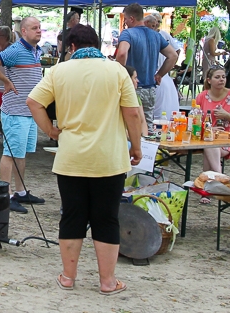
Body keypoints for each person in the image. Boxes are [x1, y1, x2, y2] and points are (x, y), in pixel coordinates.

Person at [26, 24, 143, 295]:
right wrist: (136, 147)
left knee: (72, 216)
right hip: (109, 158)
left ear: (71, 46)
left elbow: (34, 102)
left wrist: (51, 130)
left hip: (71, 157)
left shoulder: (59, 71)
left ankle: (68, 277)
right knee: (107, 218)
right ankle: (107, 281)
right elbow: (133, 113)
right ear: (97, 45)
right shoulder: (117, 71)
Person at [0, 16, 46, 214]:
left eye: (40, 27)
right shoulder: (16, 50)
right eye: (34, 28)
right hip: (15, 110)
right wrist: (6, 81)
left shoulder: (36, 50)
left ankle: (20, 191)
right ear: (23, 31)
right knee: (10, 153)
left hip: (28, 111)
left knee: (21, 152)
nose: (39, 30)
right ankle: (6, 195)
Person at [115, 3, 178, 130]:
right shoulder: (156, 35)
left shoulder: (127, 33)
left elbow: (122, 53)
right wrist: (159, 75)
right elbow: (173, 56)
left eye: (125, 19)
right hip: (150, 89)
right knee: (147, 125)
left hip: (131, 87)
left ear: (131, 18)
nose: (125, 22)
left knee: (128, 126)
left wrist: (119, 74)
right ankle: (146, 142)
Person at [195, 66, 230, 182]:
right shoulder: (202, 97)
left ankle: (211, 182)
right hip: (206, 135)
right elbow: (194, 121)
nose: (221, 79)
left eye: (223, 77)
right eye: (217, 77)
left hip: (227, 136)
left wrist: (226, 115)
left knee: (210, 147)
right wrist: (209, 128)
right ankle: (218, 179)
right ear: (209, 80)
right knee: (209, 143)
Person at [123, 66, 149, 136]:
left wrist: (144, 138)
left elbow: (143, 121)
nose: (137, 81)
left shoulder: (136, 97)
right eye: (135, 78)